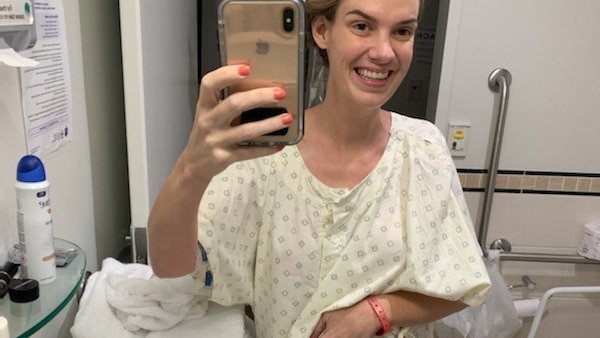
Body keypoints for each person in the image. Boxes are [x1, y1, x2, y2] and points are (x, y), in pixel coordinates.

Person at [148, 0, 491, 337]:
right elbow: (172, 267)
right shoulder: (263, 154)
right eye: (362, 26)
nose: (384, 52)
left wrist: (377, 312)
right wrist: (190, 170)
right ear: (322, 30)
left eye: (402, 31)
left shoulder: (423, 148)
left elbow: (462, 282)